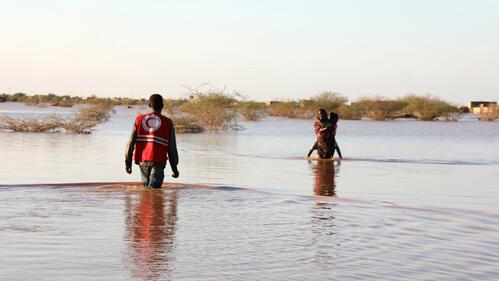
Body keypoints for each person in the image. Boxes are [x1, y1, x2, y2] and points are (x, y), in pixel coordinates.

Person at [125, 94, 179, 188]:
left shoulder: (139, 119)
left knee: (147, 192)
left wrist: (128, 162)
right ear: (162, 106)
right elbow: (172, 148)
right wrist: (174, 168)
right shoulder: (167, 122)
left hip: (142, 161)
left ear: (149, 105)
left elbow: (130, 143)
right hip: (158, 162)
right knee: (154, 192)